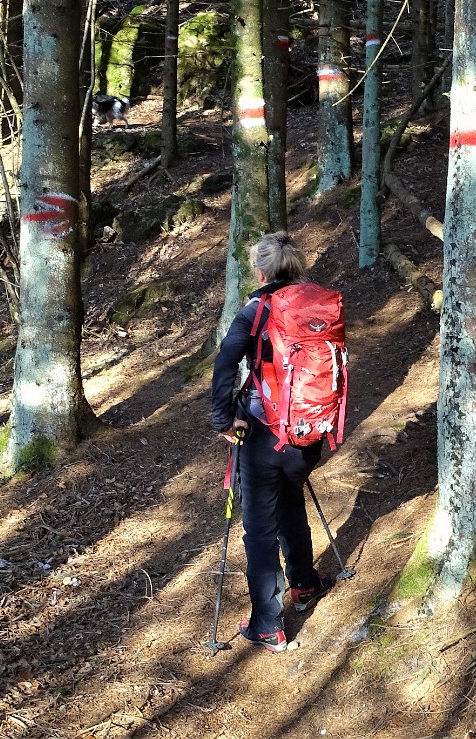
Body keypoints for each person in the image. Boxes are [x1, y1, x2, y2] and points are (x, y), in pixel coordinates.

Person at [210, 232, 332, 652]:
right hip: (310, 432)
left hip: (264, 433)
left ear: (260, 271)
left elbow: (226, 360)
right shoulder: (320, 306)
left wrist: (222, 419)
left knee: (259, 527)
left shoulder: (256, 309)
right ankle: (303, 583)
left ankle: (267, 623)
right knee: (291, 499)